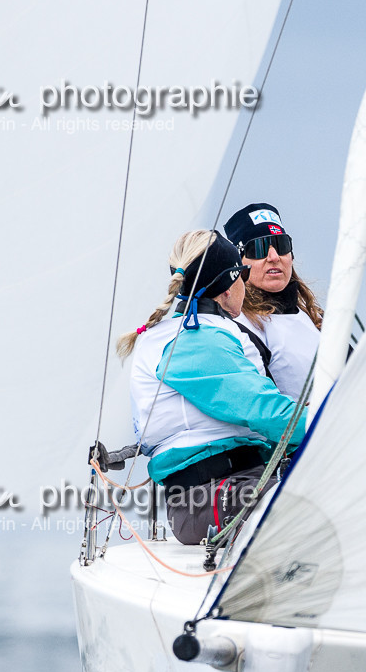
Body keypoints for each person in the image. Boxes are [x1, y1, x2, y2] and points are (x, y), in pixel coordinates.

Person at [116, 230, 305, 545]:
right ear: (230, 286)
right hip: (210, 498)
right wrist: (335, 425)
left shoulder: (187, 333)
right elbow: (265, 411)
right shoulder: (194, 341)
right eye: (242, 275)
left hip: (230, 486)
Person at [221, 203, 323, 399]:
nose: (274, 257)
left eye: (282, 245)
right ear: (239, 262)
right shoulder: (238, 327)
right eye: (258, 249)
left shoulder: (317, 320)